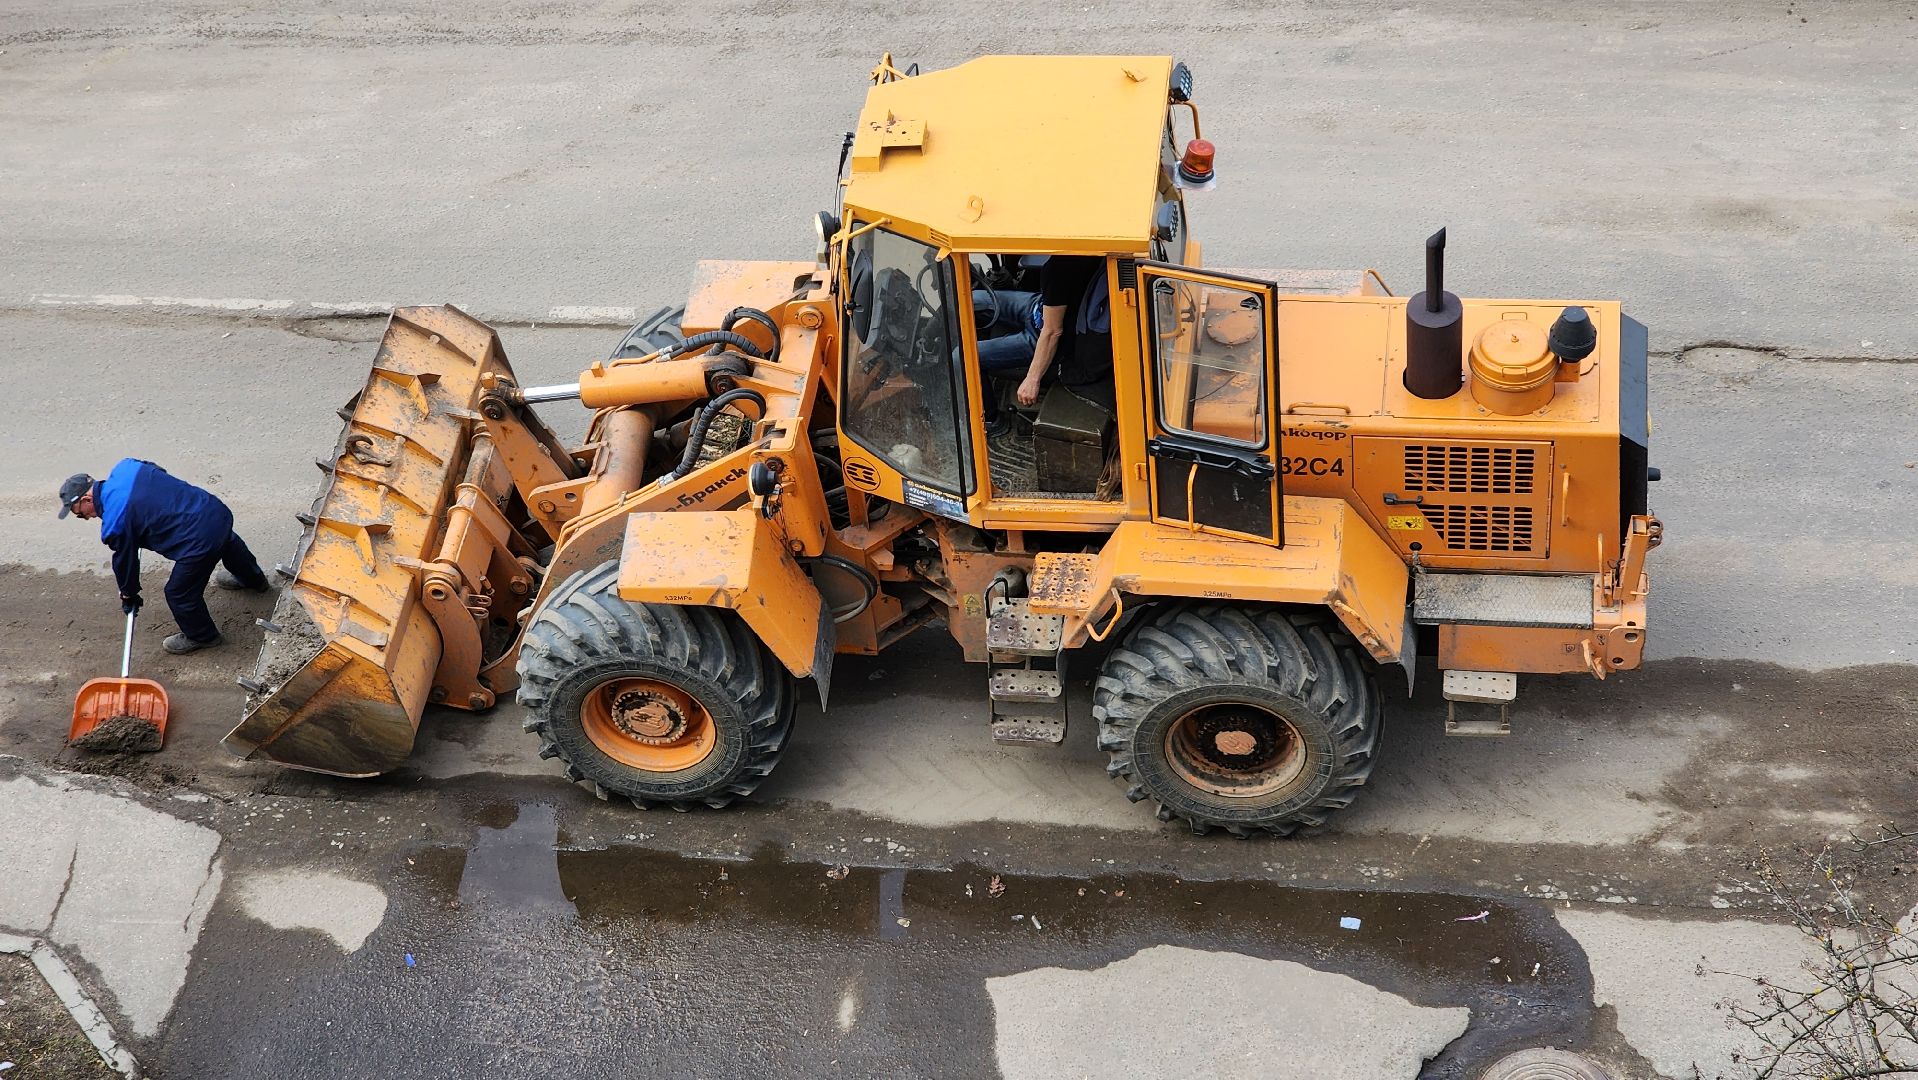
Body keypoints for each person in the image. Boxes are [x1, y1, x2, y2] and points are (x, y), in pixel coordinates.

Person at [58, 460, 271, 654]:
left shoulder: (115, 523)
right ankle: (255, 580)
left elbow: (126, 563)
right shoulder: (127, 468)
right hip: (214, 511)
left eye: (81, 514)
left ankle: (203, 636)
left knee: (178, 593)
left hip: (199, 541)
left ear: (87, 499)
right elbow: (158, 471)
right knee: (226, 541)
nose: (86, 517)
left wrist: (129, 595)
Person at [971, 255, 1105, 436]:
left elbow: (1052, 332)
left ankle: (991, 421)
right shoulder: (1088, 252)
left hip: (1043, 334)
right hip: (1039, 308)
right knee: (968, 299)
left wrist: (1032, 379)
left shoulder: (1058, 269)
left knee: (962, 359)